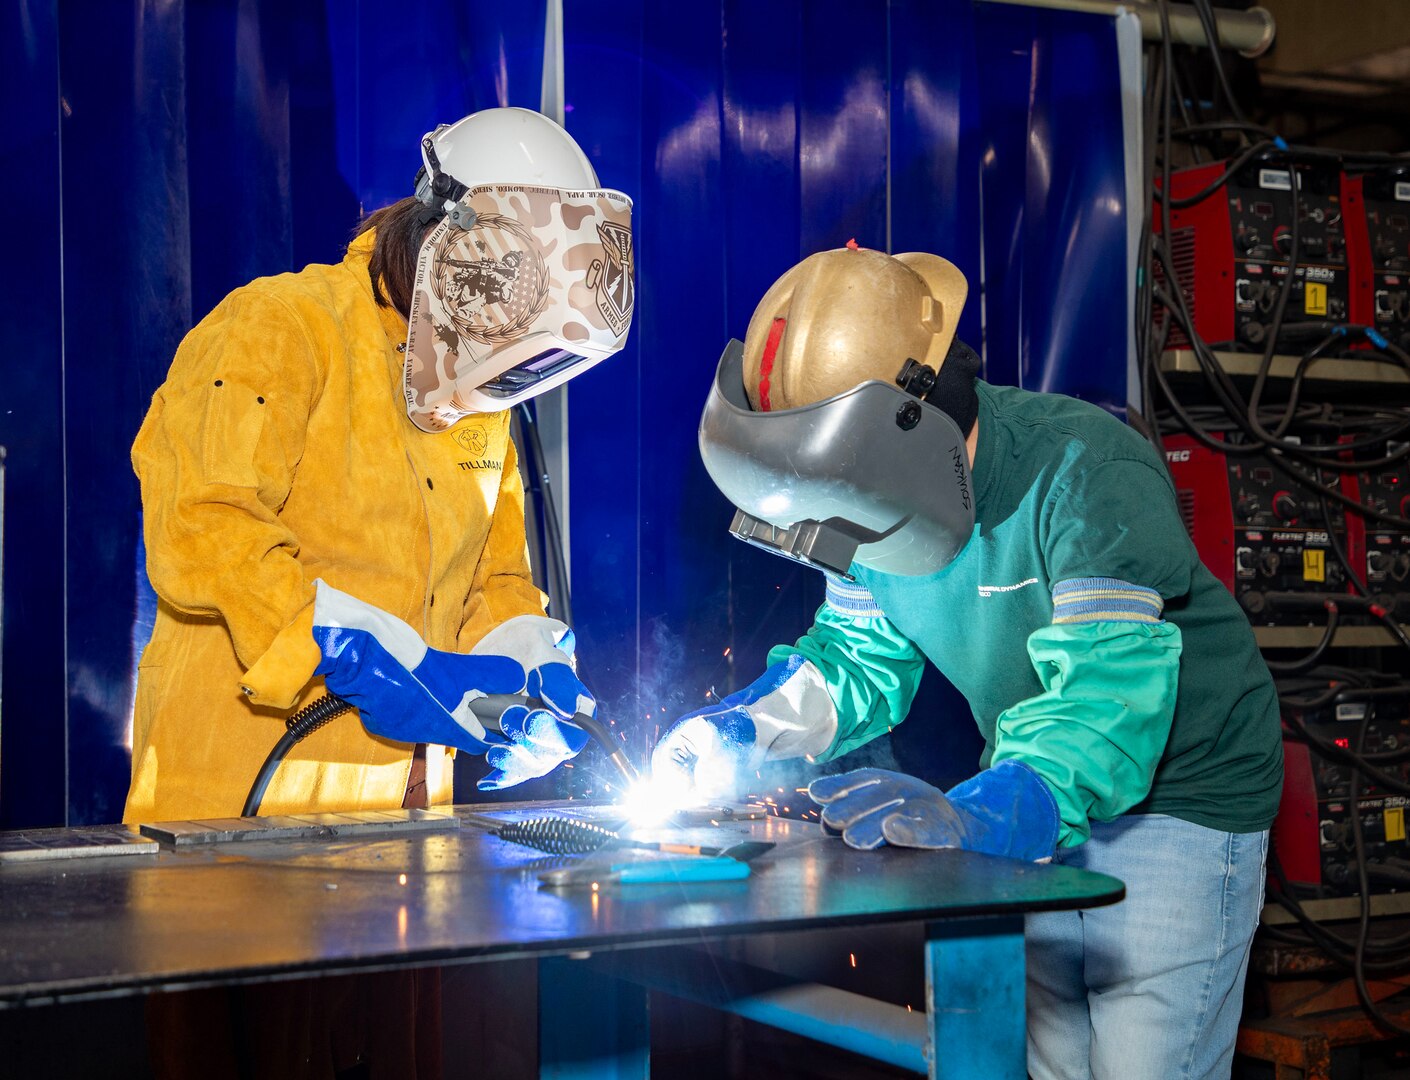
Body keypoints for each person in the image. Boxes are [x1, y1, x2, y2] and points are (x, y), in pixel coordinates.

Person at [652, 244, 1282, 1080]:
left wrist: (989, 814)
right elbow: (858, 659)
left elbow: (1106, 697)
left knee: (1141, 1066)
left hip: (1181, 795)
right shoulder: (872, 498)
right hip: (1034, 782)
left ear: (913, 416)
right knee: (1055, 1064)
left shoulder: (1086, 470)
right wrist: (747, 729)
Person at [128, 106, 632, 1080]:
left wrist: (528, 663)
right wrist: (351, 646)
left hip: (402, 834)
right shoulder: (278, 327)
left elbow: (495, 577)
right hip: (235, 824)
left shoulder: (478, 390)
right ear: (445, 245)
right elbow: (203, 525)